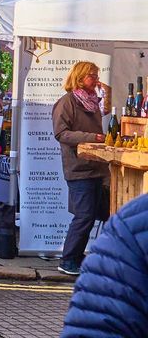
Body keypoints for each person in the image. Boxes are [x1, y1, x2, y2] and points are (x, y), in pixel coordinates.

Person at [59, 192, 148, 337]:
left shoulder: (129, 227)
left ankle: (71, 258)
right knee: (84, 216)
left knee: (85, 216)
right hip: (82, 176)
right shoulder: (129, 230)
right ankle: (69, 259)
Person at [52, 60, 109, 276]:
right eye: (92, 75)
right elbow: (61, 133)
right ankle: (68, 260)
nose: (96, 79)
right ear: (80, 77)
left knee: (93, 214)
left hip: (96, 166)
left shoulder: (92, 102)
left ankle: (77, 256)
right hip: (79, 168)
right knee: (84, 216)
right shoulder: (67, 102)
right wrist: (91, 138)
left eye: (96, 75)